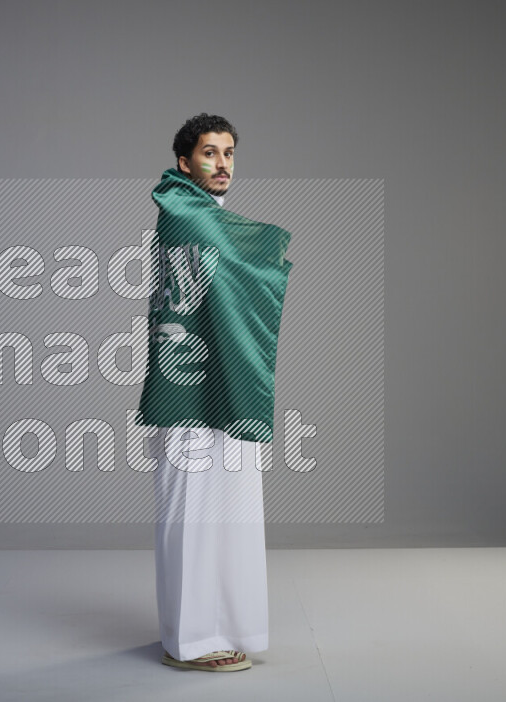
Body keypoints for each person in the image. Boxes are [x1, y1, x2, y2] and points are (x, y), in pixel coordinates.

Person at [138, 114, 294, 672]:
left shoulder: (208, 216)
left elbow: (236, 271)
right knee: (195, 515)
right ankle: (191, 641)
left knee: (229, 510)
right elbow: (246, 264)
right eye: (210, 153)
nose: (223, 164)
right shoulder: (184, 213)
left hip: (217, 385)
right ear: (185, 162)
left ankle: (223, 627)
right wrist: (270, 257)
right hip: (188, 392)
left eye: (229, 153)